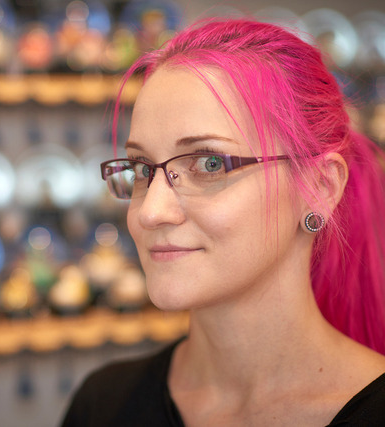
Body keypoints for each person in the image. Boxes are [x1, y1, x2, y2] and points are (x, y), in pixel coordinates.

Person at [61, 18, 385, 426]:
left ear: (320, 187)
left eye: (209, 164)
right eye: (142, 169)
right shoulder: (103, 405)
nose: (150, 212)